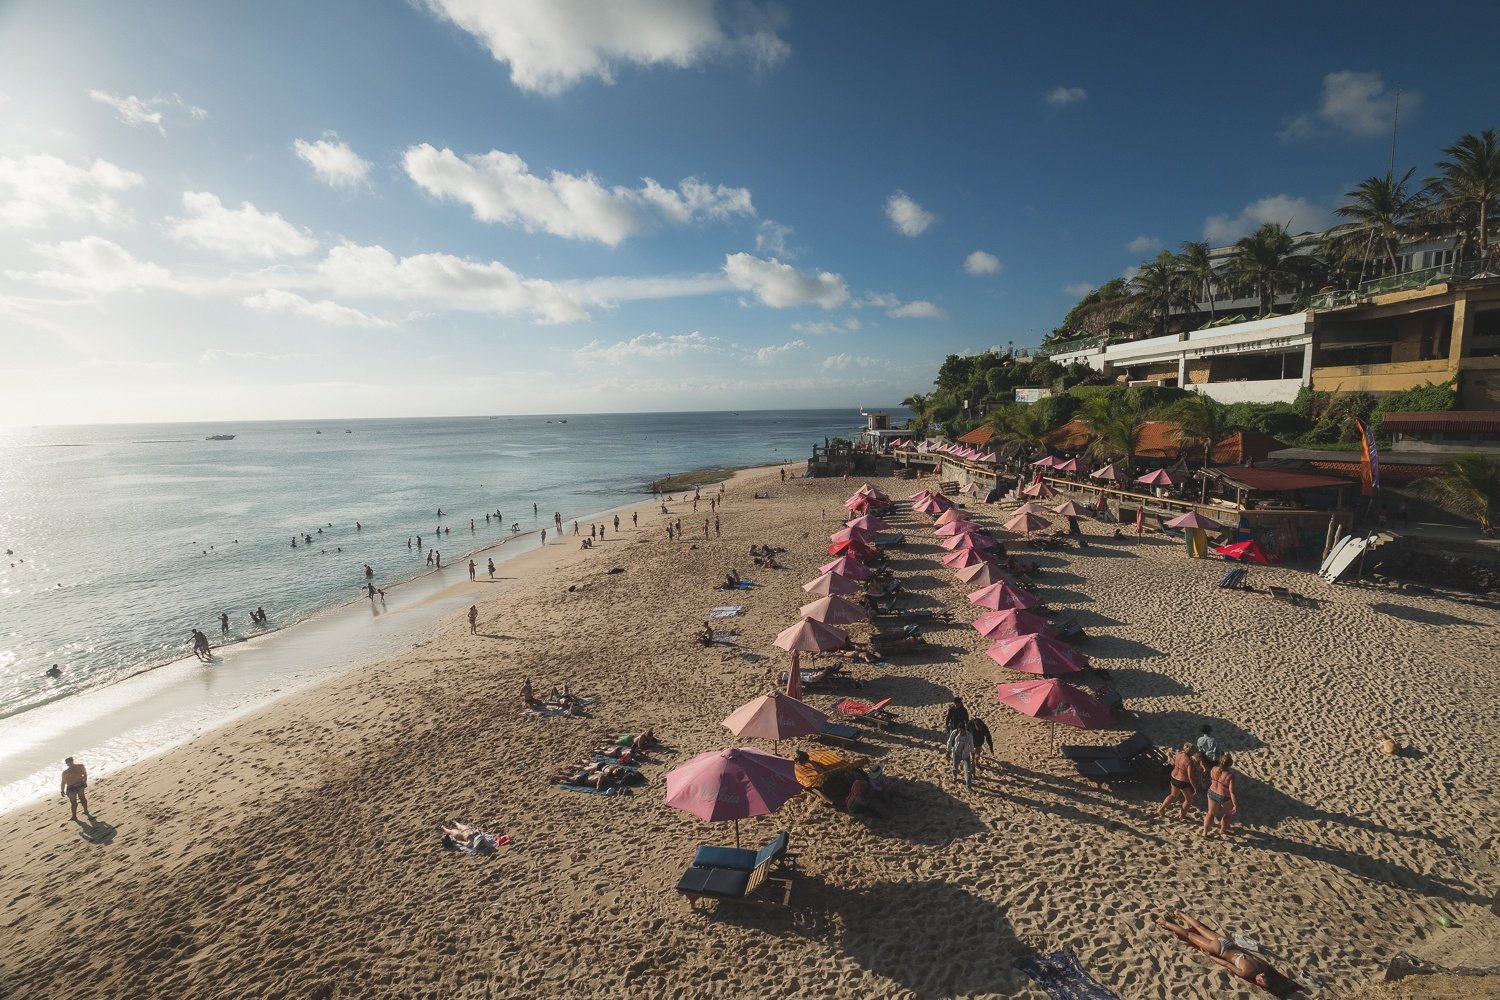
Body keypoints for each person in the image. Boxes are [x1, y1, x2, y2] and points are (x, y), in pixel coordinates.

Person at [1156, 909, 1298, 994]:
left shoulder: (1263, 967)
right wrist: (1208, 956)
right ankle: (1164, 922)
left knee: (1199, 927)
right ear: (1260, 979)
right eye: (1261, 982)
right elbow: (1227, 964)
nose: (1258, 982)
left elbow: (1265, 966)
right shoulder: (1246, 973)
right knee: (1189, 936)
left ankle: (1179, 913)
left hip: (1228, 944)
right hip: (1220, 950)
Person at [1158, 743, 1200, 820]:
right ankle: (1182, 816)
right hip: (1182, 781)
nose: (1195, 752)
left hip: (1174, 777)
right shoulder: (1189, 762)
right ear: (1192, 751)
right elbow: (1190, 777)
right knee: (1189, 800)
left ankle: (1162, 809)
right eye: (1195, 751)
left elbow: (1174, 763)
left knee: (1173, 795)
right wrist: (1195, 788)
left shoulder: (1178, 754)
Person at [1204, 754, 1239, 837]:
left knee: (1210, 814)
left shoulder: (1213, 769)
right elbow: (1232, 792)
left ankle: (1204, 832)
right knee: (1228, 814)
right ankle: (1222, 830)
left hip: (1212, 792)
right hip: (1224, 796)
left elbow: (1210, 779)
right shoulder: (1230, 776)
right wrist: (1235, 805)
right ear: (1230, 765)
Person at [946, 722, 975, 788]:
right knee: (954, 768)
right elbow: (949, 741)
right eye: (959, 730)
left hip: (966, 754)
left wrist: (973, 754)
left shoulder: (969, 735)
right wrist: (948, 751)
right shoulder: (955, 732)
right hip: (956, 753)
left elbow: (972, 745)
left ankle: (968, 785)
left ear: (965, 729)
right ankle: (954, 778)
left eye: (962, 730)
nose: (961, 732)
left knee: (968, 771)